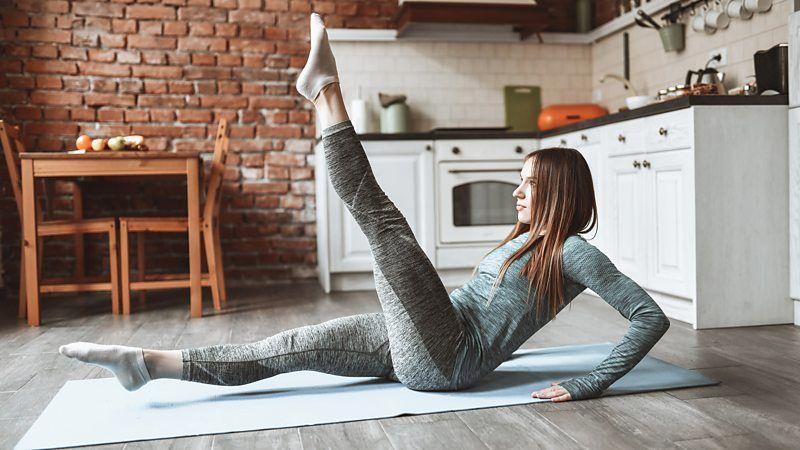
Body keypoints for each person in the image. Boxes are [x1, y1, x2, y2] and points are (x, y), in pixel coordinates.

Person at [59, 13, 670, 402]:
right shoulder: (527, 241)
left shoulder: (573, 252)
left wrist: (589, 384)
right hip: (428, 339)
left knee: (383, 225)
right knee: (291, 345)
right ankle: (149, 365)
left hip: (448, 359)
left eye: (529, 184)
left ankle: (326, 90)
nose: (517, 192)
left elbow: (649, 317)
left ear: (559, 192)